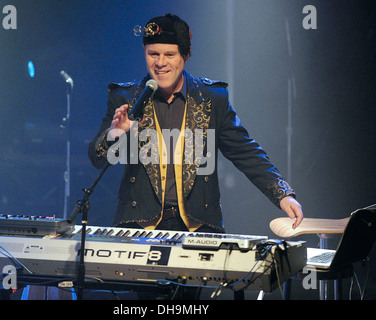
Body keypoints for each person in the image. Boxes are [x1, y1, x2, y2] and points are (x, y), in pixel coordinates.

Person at [88, 14, 303, 234]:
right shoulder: (125, 97)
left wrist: (282, 193)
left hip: (198, 226)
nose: (160, 63)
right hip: (138, 225)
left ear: (186, 55)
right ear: (145, 53)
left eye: (169, 55)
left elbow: (244, 151)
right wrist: (114, 135)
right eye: (153, 54)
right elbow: (97, 158)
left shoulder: (211, 98)